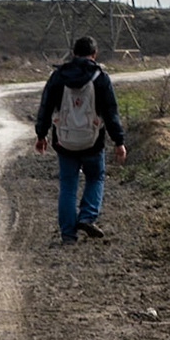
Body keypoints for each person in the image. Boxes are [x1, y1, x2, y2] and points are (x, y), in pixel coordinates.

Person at [35, 35, 127, 243]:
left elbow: (45, 107)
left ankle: (68, 233)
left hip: (64, 140)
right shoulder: (101, 77)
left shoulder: (58, 76)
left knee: (68, 185)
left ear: (73, 53)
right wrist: (119, 141)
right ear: (94, 54)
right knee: (95, 178)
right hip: (93, 141)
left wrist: (41, 135)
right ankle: (87, 216)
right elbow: (111, 113)